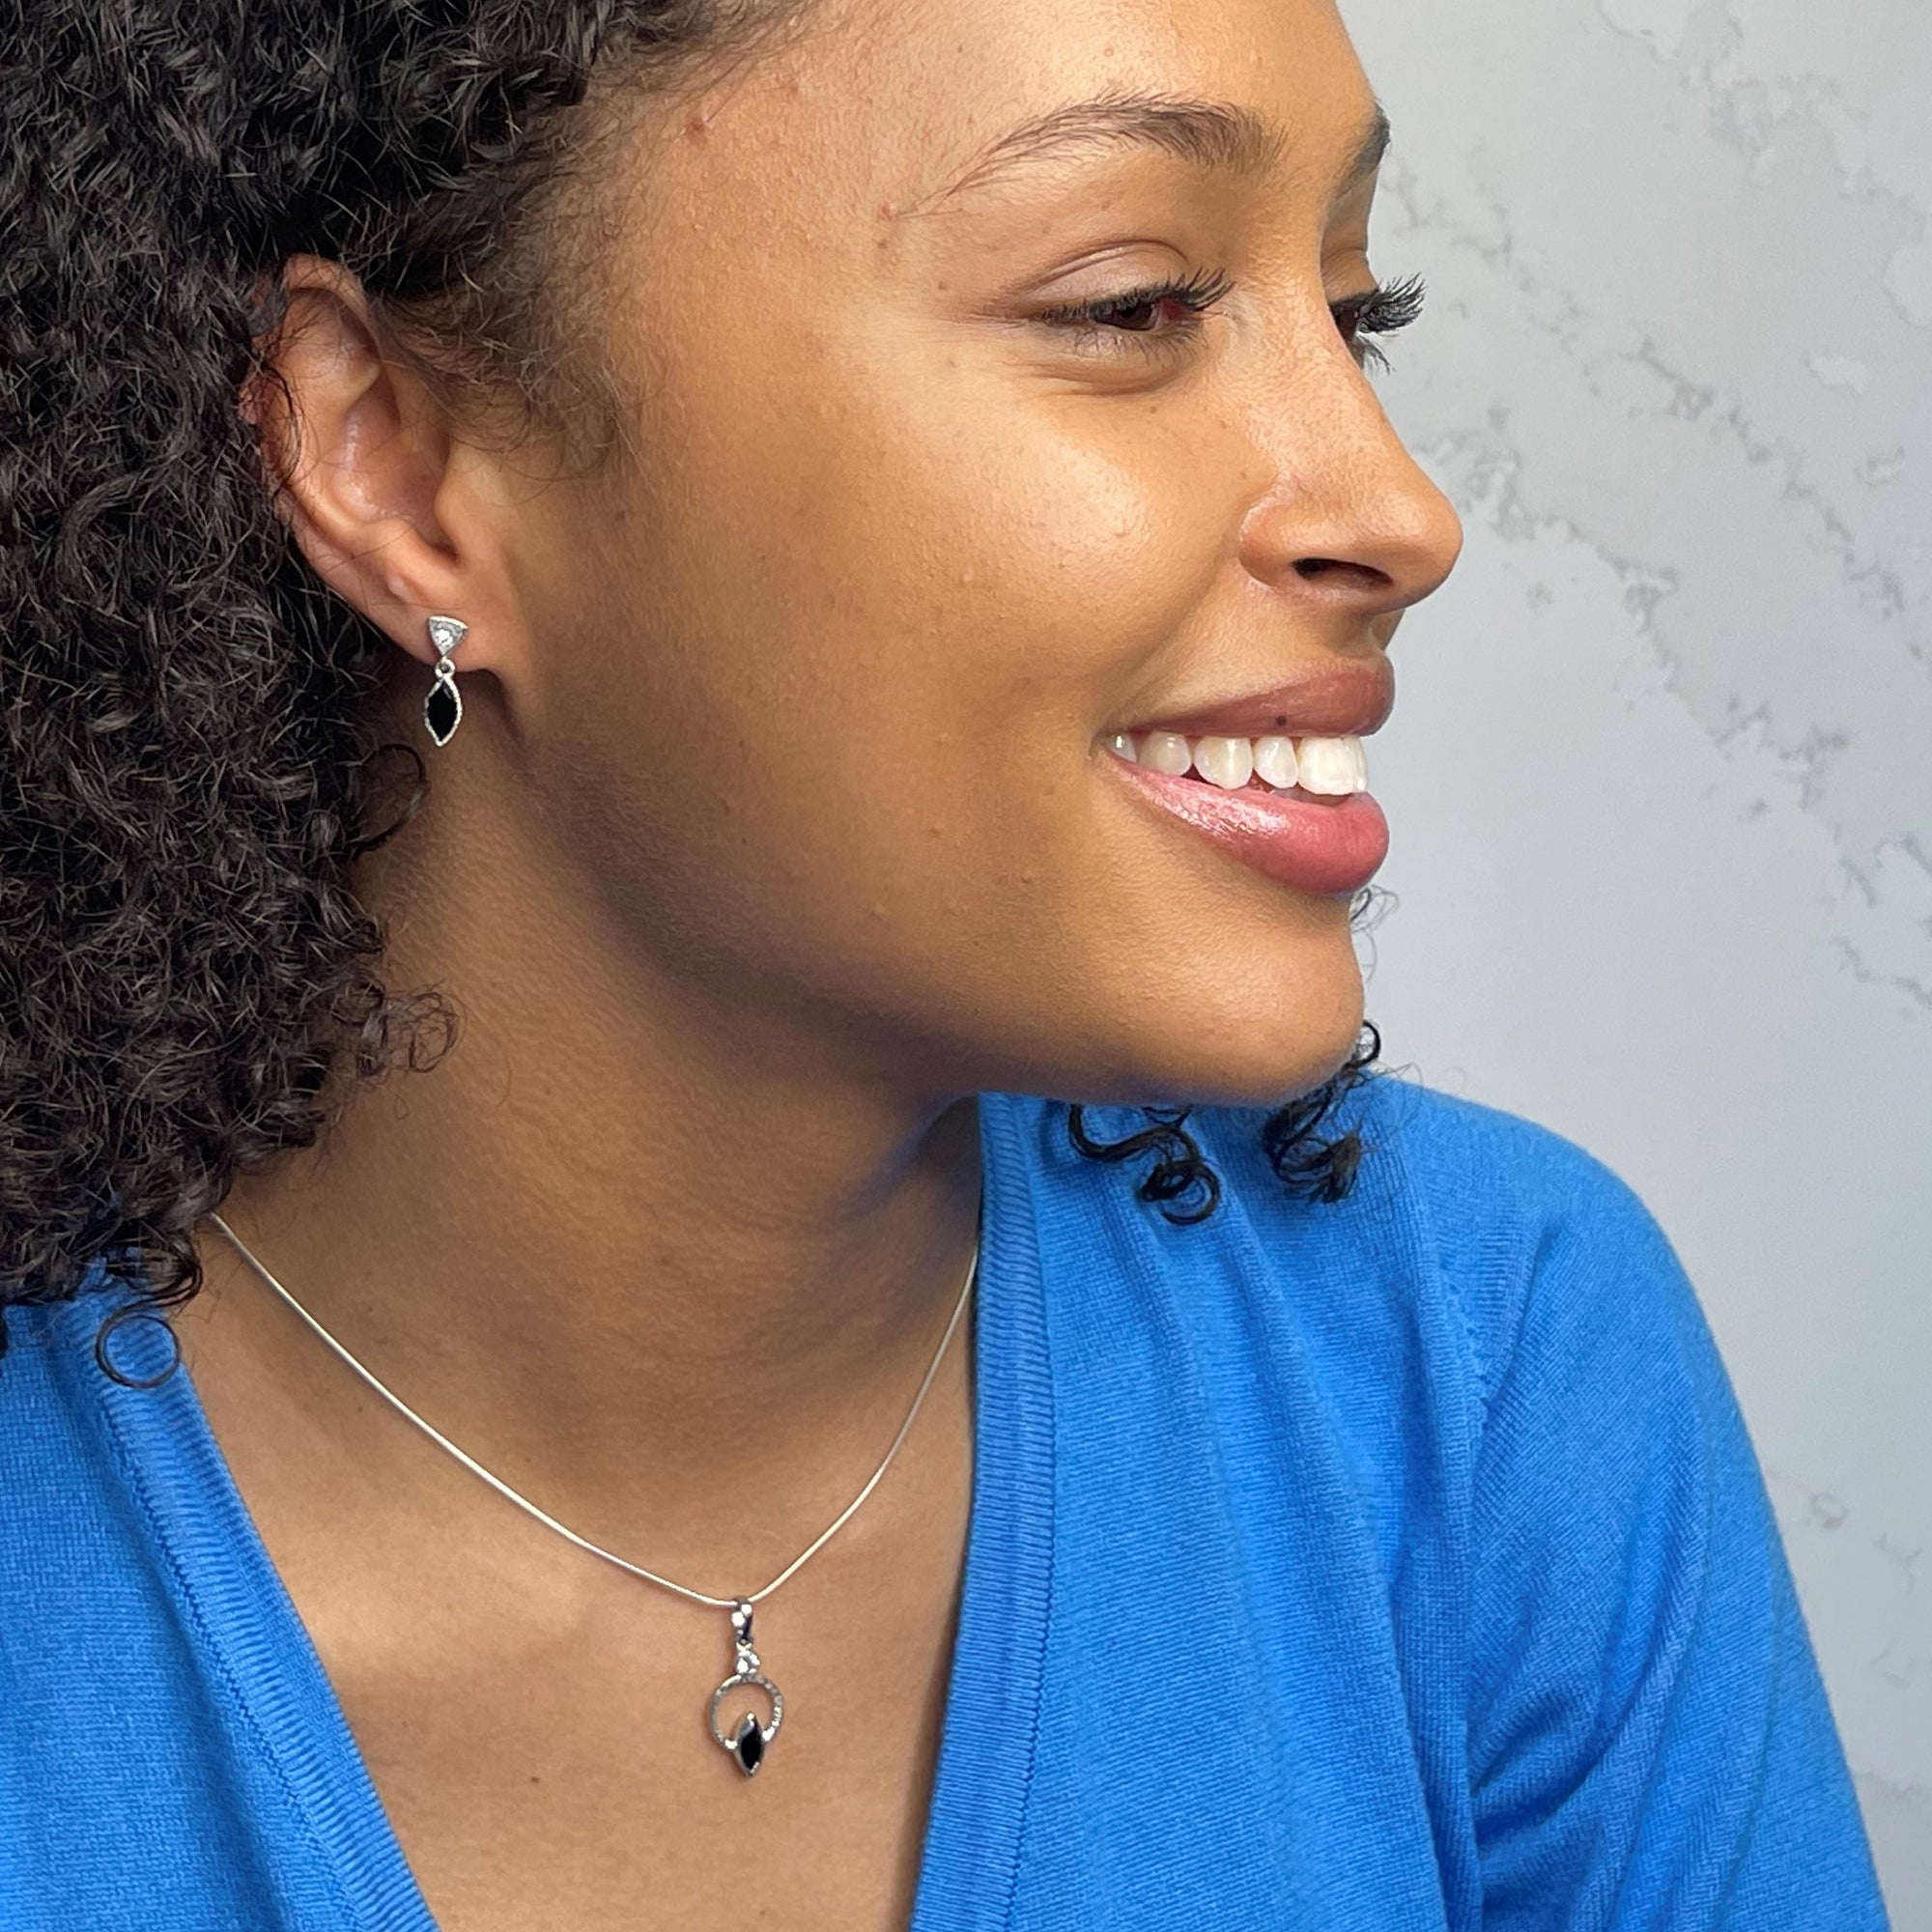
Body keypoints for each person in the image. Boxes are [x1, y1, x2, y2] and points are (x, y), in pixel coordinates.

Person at [0, 0, 1891, 1926]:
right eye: (1132, 303)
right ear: (398, 468)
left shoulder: (1477, 1378)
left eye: (1356, 310)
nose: (1399, 511)